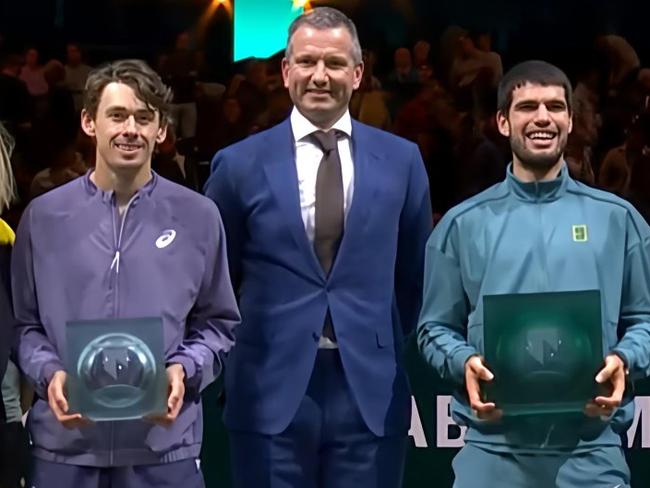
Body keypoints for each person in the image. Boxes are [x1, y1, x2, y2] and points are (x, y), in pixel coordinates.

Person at [204, 6, 432, 488]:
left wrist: (367, 333)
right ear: (286, 71)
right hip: (268, 387)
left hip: (369, 390)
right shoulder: (238, 164)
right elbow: (218, 280)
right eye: (307, 62)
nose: (320, 76)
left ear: (358, 72)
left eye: (333, 63)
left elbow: (412, 276)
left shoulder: (402, 161)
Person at [417, 60, 650, 488]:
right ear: (503, 122)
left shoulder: (620, 220)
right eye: (527, 106)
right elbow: (434, 327)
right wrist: (462, 360)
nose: (542, 117)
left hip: (591, 453)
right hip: (493, 452)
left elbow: (645, 319)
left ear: (570, 120)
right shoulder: (461, 224)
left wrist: (626, 358)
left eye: (554, 107)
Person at [11, 59, 240, 488]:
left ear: (162, 130)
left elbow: (219, 324)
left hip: (164, 451)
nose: (130, 129)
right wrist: (48, 374)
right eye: (117, 115)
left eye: (144, 117)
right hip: (64, 450)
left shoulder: (199, 216)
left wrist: (185, 371)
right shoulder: (43, 217)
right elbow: (24, 325)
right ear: (89, 122)